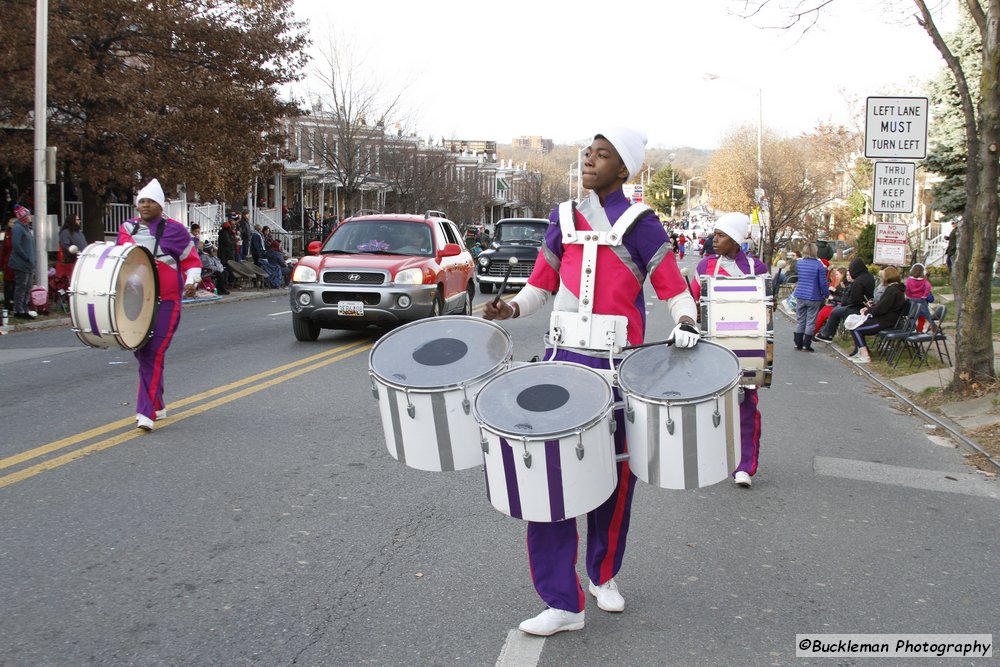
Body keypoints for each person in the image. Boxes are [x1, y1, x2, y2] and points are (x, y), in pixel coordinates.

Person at [483, 127, 698, 637]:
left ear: (624, 169)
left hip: (617, 369)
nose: (590, 161)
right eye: (588, 153)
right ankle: (562, 601)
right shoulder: (562, 218)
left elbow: (673, 288)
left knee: (613, 481)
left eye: (603, 155)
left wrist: (687, 321)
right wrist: (511, 307)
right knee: (547, 483)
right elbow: (540, 286)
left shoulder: (642, 224)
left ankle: (604, 574)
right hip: (560, 366)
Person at [117, 179, 201, 431]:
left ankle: (146, 412)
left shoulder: (176, 230)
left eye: (150, 201)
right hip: (136, 302)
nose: (145, 205)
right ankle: (158, 404)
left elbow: (192, 261)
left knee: (154, 351)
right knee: (143, 352)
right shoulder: (126, 229)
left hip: (167, 301)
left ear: (160, 206)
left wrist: (192, 279)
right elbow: (119, 262)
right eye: (141, 201)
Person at [691, 212, 768, 489]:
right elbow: (692, 303)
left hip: (744, 348)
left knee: (746, 408)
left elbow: (765, 309)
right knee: (709, 406)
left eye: (721, 235)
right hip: (711, 348)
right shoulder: (704, 267)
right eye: (715, 234)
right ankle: (712, 458)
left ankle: (744, 465)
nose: (715, 240)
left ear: (735, 240)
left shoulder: (756, 268)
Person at [848, 266, 907, 364]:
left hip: (885, 321)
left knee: (856, 328)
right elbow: (882, 306)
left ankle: (865, 355)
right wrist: (870, 308)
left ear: (887, 278)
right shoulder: (896, 289)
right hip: (886, 319)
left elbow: (881, 308)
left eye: (882, 277)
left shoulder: (892, 291)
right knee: (854, 326)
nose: (881, 279)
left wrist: (867, 311)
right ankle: (861, 352)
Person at [814, 258, 875, 342]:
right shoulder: (868, 276)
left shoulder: (858, 281)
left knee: (836, 312)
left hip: (858, 307)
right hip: (863, 305)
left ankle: (826, 334)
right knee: (836, 310)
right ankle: (825, 333)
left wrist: (840, 299)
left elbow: (853, 299)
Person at [791, 242, 828, 351]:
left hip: (801, 294)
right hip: (814, 295)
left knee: (800, 319)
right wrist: (826, 294)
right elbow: (823, 283)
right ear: (815, 251)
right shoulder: (819, 266)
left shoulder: (800, 264)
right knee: (811, 320)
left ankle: (798, 343)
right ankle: (806, 344)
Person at [9, 205, 37, 320]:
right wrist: (26, 257)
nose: (30, 216)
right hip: (21, 263)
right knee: (21, 287)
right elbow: (16, 245)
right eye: (28, 215)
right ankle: (18, 310)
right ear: (23, 217)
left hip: (29, 264)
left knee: (28, 287)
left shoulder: (26, 228)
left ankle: (25, 309)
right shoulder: (17, 228)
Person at [905, 263, 933, 332]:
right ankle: (933, 326)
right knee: (927, 314)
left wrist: (909, 295)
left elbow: (907, 289)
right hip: (921, 299)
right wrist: (925, 295)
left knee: (912, 315)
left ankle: (912, 329)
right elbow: (928, 287)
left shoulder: (909, 280)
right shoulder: (924, 280)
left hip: (912, 299)